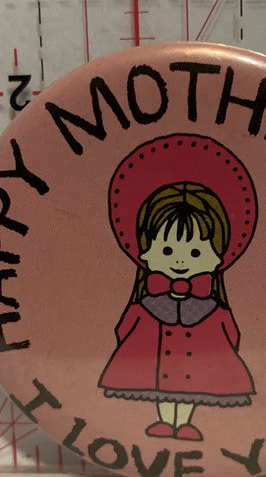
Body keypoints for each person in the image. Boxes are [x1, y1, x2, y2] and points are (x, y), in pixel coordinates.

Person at [99, 180, 255, 441]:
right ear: (145, 253)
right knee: (163, 390)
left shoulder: (213, 311)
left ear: (217, 258)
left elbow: (231, 334)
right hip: (153, 366)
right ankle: (164, 421)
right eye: (168, 250)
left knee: (189, 390)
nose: (181, 261)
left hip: (198, 366)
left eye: (195, 252)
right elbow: (125, 328)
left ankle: (183, 423)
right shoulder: (146, 307)